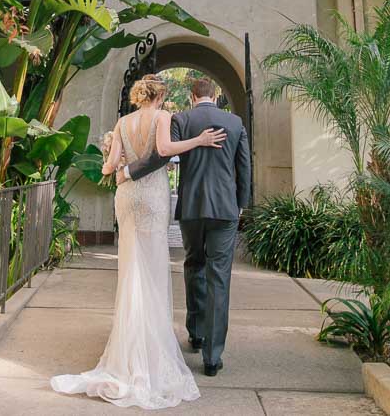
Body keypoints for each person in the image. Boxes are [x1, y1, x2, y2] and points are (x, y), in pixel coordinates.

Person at [50, 73, 227, 409]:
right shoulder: (162, 117)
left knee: (131, 267)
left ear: (139, 95)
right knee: (154, 268)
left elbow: (108, 168)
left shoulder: (122, 122)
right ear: (160, 96)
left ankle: (127, 348)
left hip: (127, 197)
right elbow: (165, 150)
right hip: (153, 197)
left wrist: (113, 161)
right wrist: (199, 140)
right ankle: (150, 348)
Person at [118, 76, 251, 377]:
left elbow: (159, 156)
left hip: (191, 207)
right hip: (225, 209)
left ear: (192, 97)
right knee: (220, 277)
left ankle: (196, 332)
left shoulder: (182, 119)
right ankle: (212, 357)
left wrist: (128, 171)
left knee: (194, 265)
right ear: (215, 97)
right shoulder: (234, 122)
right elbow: (244, 166)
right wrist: (241, 203)